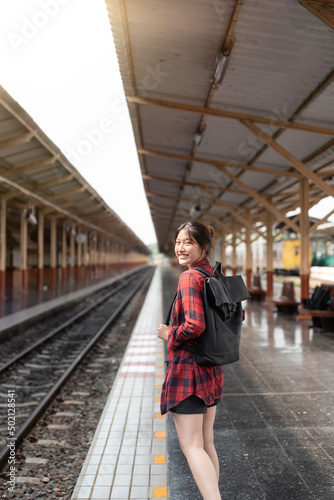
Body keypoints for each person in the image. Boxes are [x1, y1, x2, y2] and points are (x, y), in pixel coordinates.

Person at [157, 221, 223, 500]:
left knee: (192, 446)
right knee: (206, 443)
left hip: (188, 372)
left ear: (202, 247)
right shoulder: (213, 274)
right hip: (211, 370)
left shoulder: (189, 278)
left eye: (188, 243)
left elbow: (195, 325)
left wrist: (170, 334)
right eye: (178, 242)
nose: (181, 248)